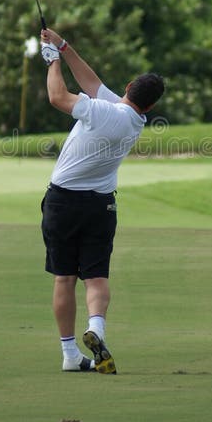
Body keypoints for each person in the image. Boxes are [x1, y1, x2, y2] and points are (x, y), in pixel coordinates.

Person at [39, 27, 165, 374]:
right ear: (150, 105)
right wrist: (63, 47)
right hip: (100, 206)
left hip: (62, 202)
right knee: (95, 278)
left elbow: (57, 96)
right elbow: (91, 81)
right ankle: (96, 330)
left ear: (127, 88)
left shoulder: (102, 111)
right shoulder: (134, 119)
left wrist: (51, 61)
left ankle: (69, 354)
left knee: (64, 277)